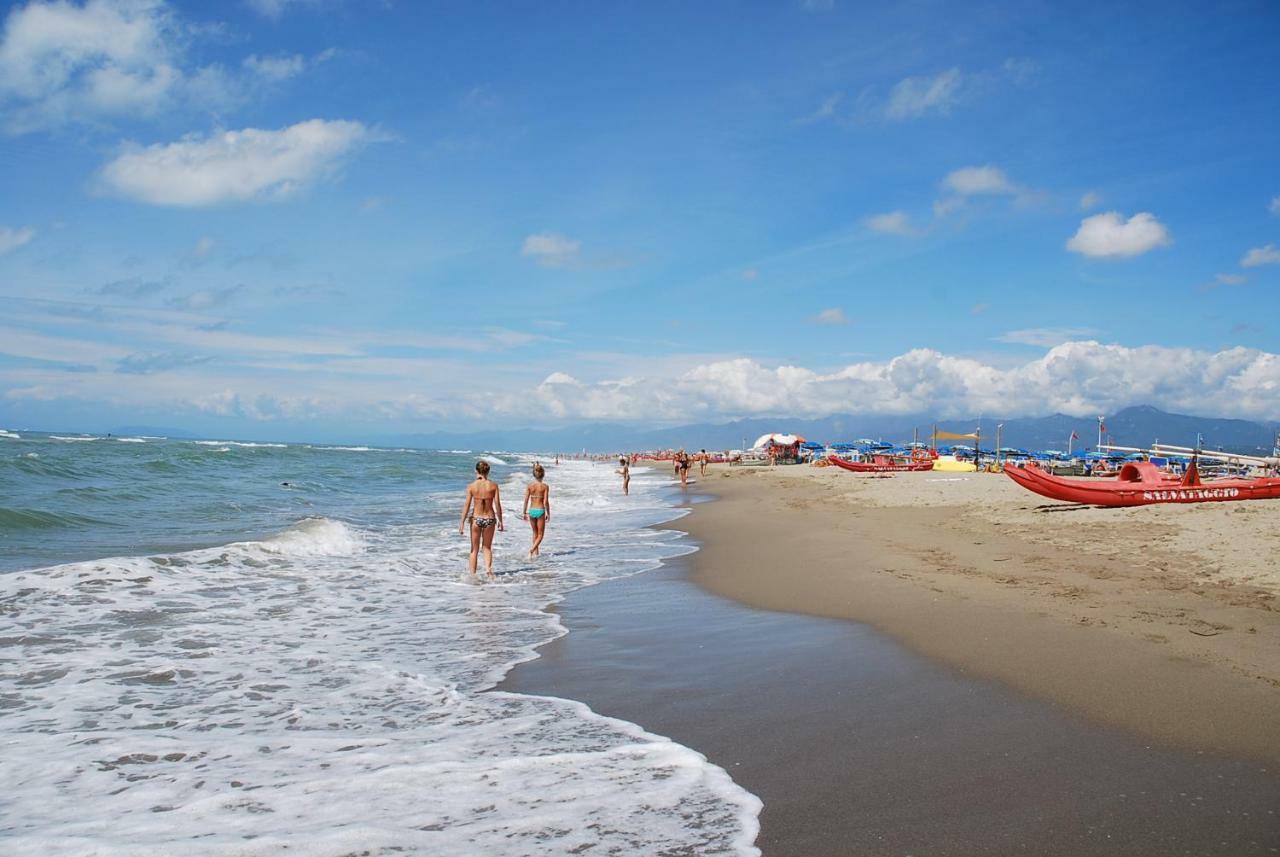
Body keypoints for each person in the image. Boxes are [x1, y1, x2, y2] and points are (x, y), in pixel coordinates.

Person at [459, 459, 503, 578]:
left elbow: (467, 505)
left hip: (476, 519)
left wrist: (462, 523)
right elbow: (497, 504)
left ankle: (473, 576)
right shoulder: (494, 486)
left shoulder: (471, 486)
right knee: (487, 547)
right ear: (488, 471)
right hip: (490, 519)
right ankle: (488, 571)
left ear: (476, 471)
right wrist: (501, 521)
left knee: (474, 549)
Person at [522, 463, 550, 559]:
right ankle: (532, 551)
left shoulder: (530, 486)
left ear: (534, 475)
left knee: (535, 533)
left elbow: (526, 499)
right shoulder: (545, 487)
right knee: (541, 535)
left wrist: (524, 512)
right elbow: (546, 501)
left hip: (531, 510)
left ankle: (536, 554)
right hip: (540, 510)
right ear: (543, 475)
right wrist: (548, 513)